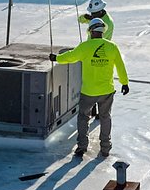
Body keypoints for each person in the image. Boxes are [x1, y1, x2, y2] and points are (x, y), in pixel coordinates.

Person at [55, 17, 129, 159]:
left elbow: (70, 57)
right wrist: (124, 83)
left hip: (88, 91)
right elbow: (120, 66)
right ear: (103, 31)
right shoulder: (112, 46)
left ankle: (82, 147)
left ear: (90, 31)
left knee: (83, 117)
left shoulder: (85, 46)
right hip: (107, 91)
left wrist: (56, 58)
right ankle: (105, 148)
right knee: (105, 117)